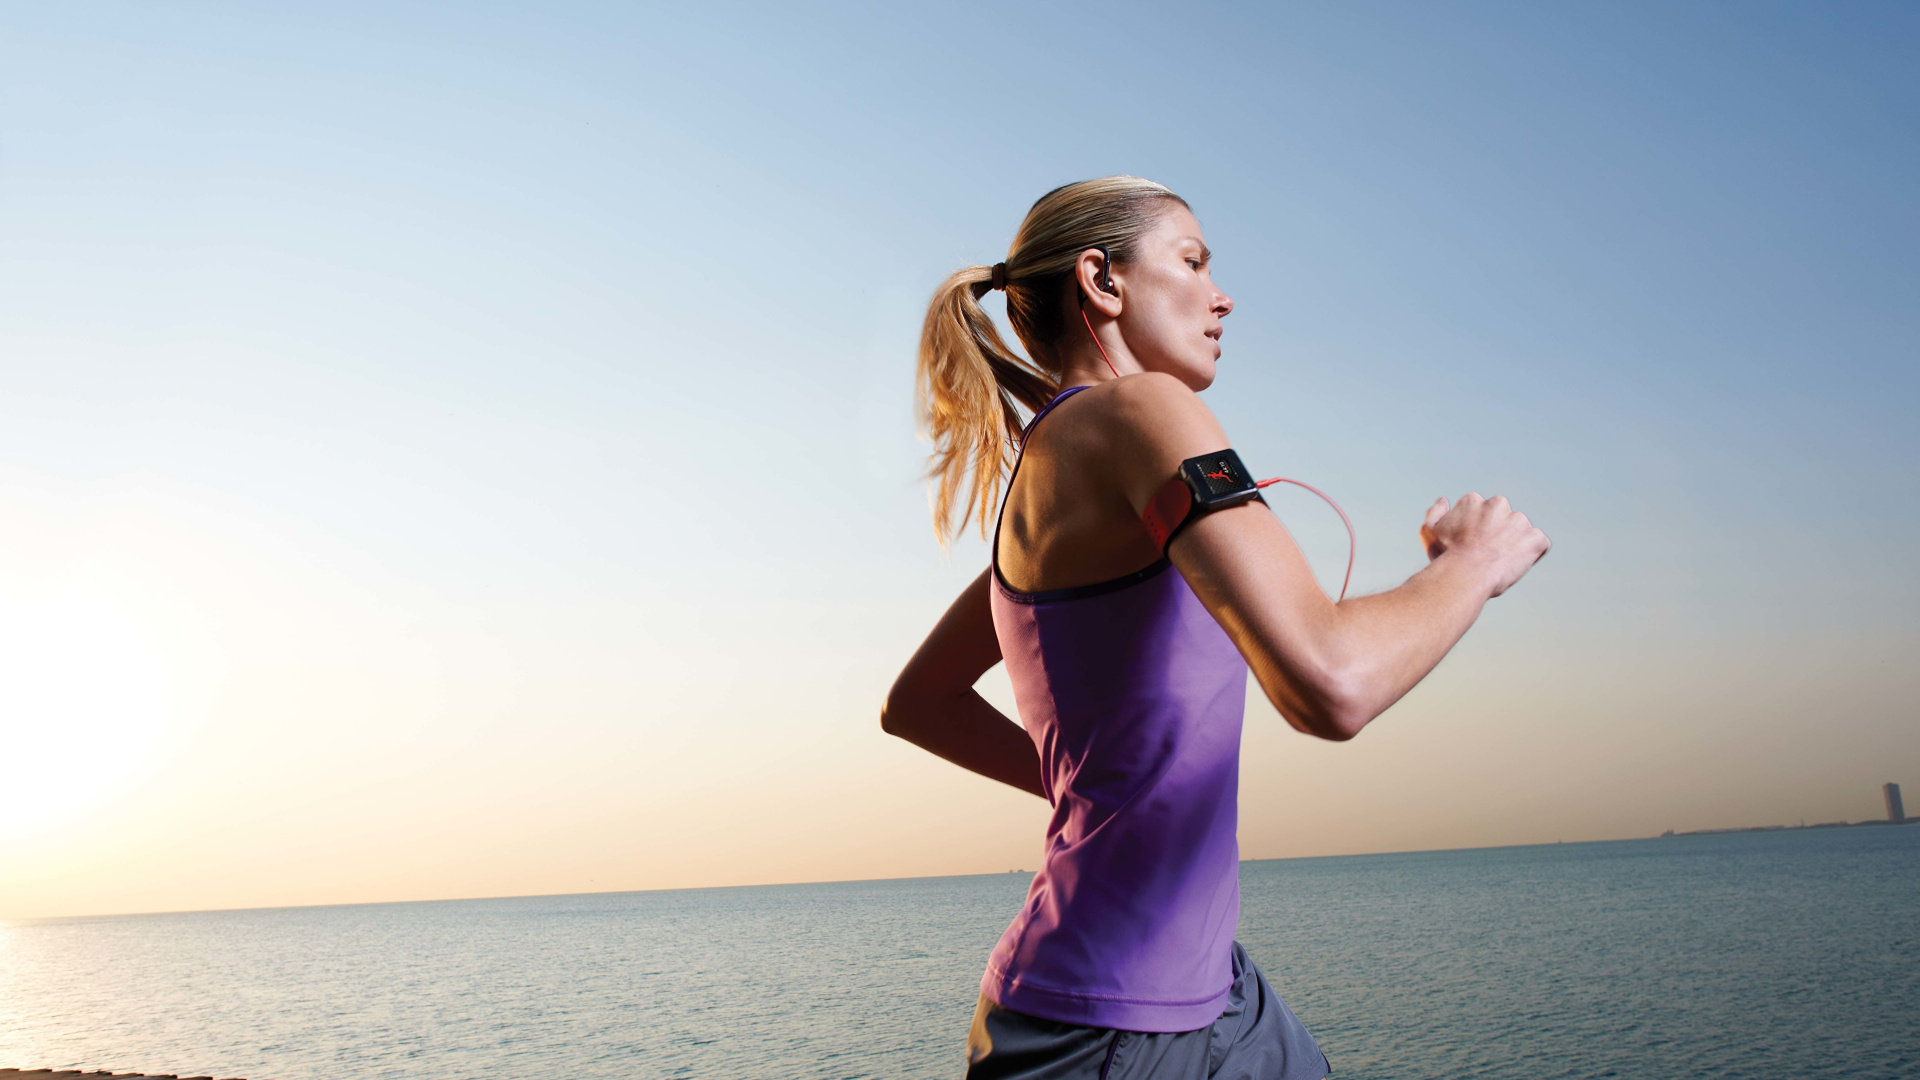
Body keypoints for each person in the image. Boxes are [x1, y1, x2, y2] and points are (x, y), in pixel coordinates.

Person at [881, 176, 1550, 1080]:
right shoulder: (1142, 409)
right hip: (1111, 1029)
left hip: (1207, 994)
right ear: (1102, 281)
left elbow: (919, 704)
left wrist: (1099, 798)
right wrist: (1471, 564)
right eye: (1193, 262)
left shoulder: (1053, 474)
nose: (1222, 295)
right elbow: (1332, 684)